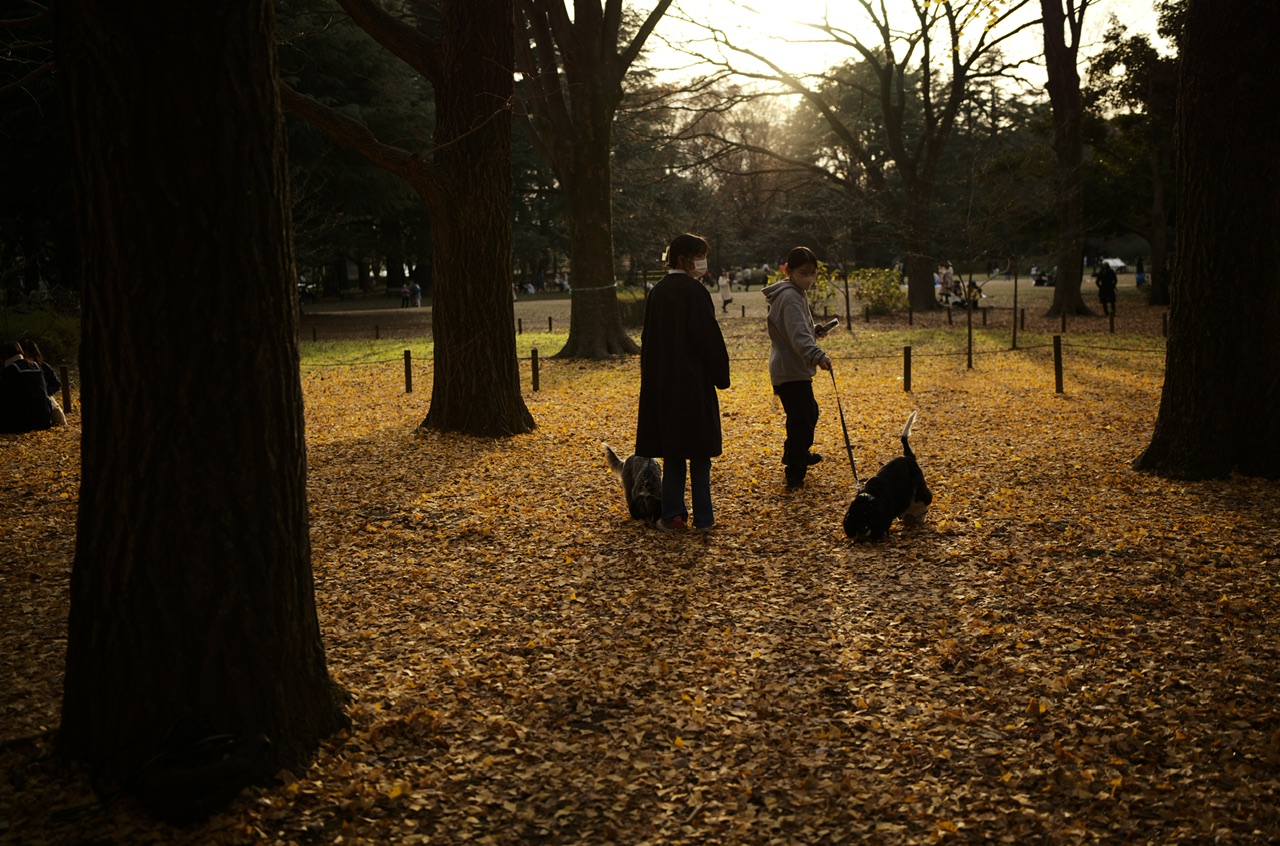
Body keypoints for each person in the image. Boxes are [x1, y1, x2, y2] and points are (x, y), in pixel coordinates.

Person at [635, 233, 731, 531]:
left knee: (674, 451)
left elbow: (648, 340)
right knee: (700, 455)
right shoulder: (695, 292)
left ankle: (673, 515)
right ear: (682, 259)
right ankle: (704, 518)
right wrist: (720, 375)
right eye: (699, 256)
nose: (703, 262)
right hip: (694, 383)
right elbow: (708, 339)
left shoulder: (658, 292)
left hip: (665, 383)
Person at [762, 246, 833, 491]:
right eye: (804, 272)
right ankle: (795, 470)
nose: (809, 277)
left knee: (808, 412)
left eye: (813, 272)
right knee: (802, 419)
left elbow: (797, 331)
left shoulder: (795, 293)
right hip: (789, 370)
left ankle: (796, 452)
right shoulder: (790, 297)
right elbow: (797, 335)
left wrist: (814, 332)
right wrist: (817, 355)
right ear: (788, 270)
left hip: (791, 368)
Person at [1, 340, 54, 434]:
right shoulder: (36, 365)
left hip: (23, 422)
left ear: (5, 355)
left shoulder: (10, 370)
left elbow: (5, 396)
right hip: (44, 420)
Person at [20, 340, 66, 426]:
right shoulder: (17, 369)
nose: (27, 358)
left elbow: (56, 384)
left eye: (29, 355)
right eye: (24, 356)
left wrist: (46, 393)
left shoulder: (43, 366)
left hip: (44, 397)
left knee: (58, 414)